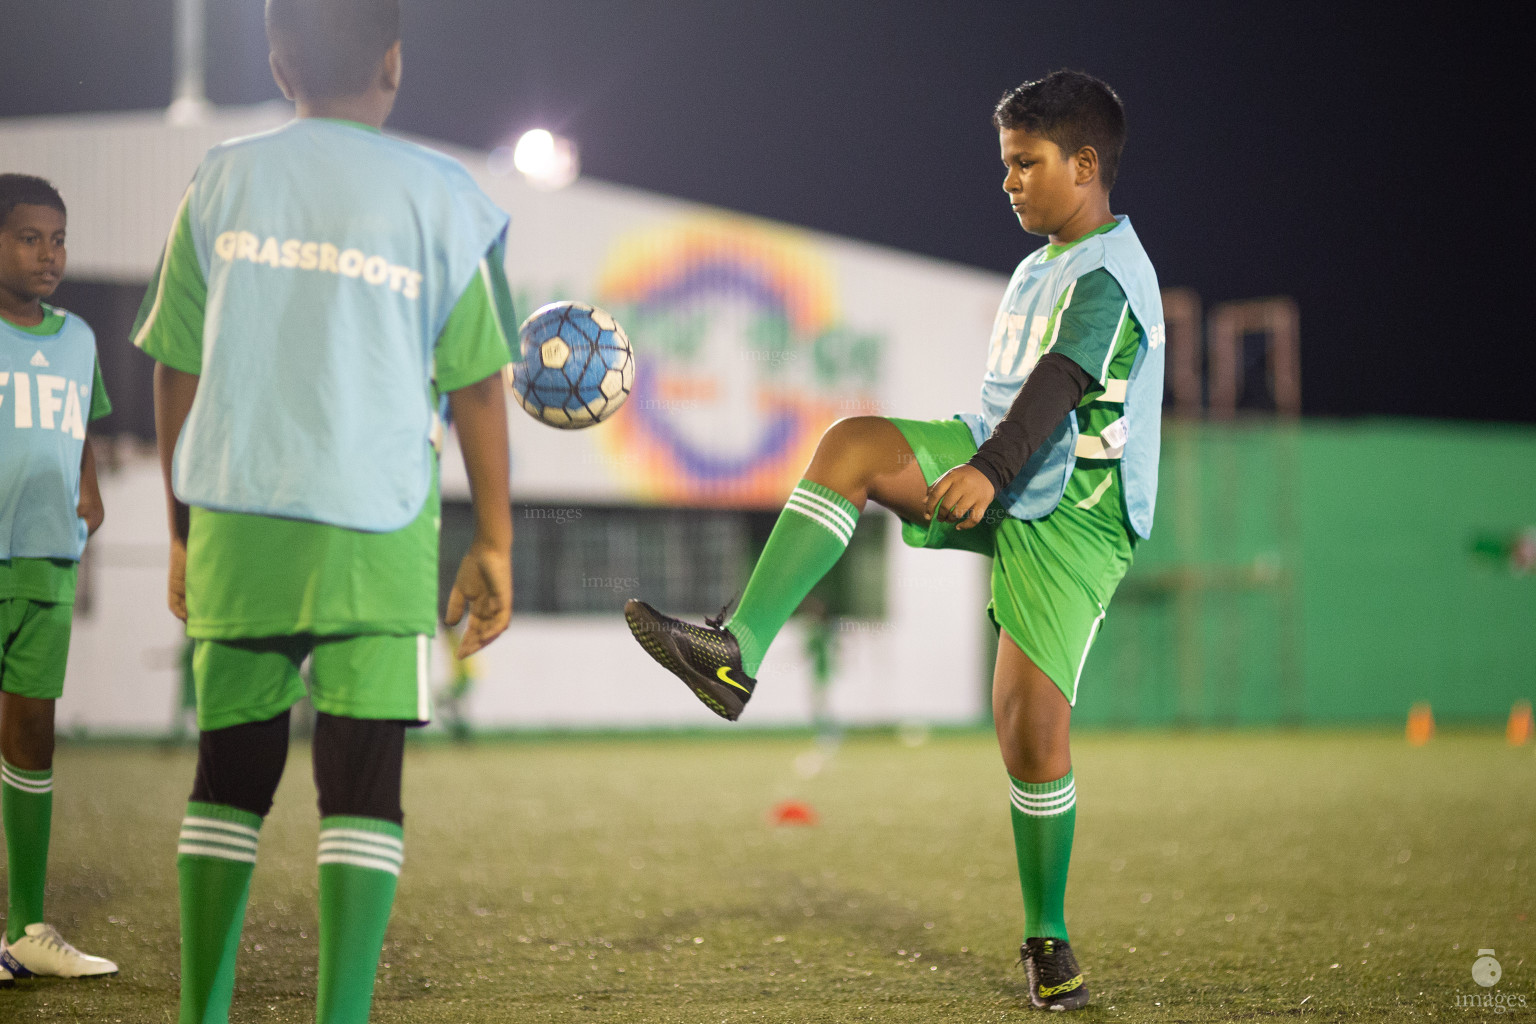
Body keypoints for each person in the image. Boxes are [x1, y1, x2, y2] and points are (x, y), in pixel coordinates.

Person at [625, 69, 1164, 1012]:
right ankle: (735, 651)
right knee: (853, 447)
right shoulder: (1042, 261)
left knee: (1029, 736)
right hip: (996, 460)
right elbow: (1013, 401)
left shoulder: (1113, 273)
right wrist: (984, 464)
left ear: (1085, 165)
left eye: (1025, 164)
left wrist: (989, 472)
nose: (1008, 182)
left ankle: (1049, 939)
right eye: (1005, 165)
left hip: (1073, 513)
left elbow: (1063, 383)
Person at [133, 1, 516, 1019]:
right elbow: (478, 383)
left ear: (275, 57)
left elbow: (174, 366)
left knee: (228, 780)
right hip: (376, 529)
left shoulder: (222, 174)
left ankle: (200, 1012)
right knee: (362, 786)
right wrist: (495, 539)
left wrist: (180, 529)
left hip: (238, 518)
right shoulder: (439, 194)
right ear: (392, 64)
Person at [0, 174, 118, 984]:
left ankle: (26, 931)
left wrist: (90, 488)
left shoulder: (78, 337)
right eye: (30, 237)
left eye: (60, 238)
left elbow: (81, 428)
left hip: (46, 556)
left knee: (31, 735)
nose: (50, 254)